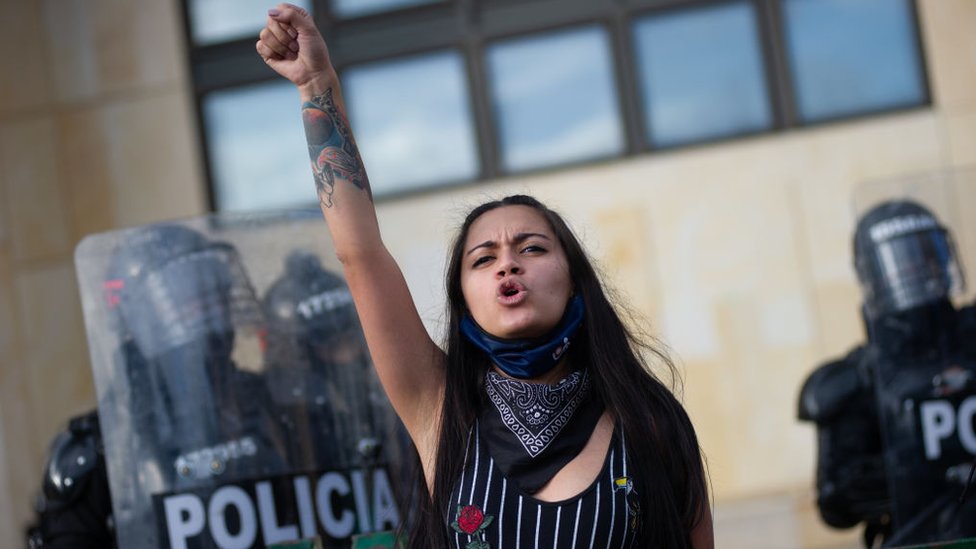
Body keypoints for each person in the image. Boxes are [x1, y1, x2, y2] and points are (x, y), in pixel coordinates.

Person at [256, 5, 713, 548]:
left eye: (532, 247)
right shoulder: (440, 407)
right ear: (464, 298)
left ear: (574, 278)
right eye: (482, 258)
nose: (507, 263)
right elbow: (361, 255)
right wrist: (315, 84)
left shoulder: (650, 422)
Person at [798, 199, 976, 546]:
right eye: (900, 260)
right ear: (873, 275)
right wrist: (914, 469)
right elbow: (837, 502)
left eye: (925, 254)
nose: (916, 270)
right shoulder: (856, 380)